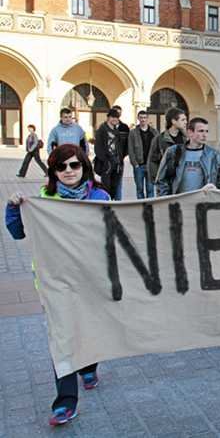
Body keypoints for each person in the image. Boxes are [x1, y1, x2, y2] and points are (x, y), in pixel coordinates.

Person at [5, 144, 110, 426]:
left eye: (74, 165)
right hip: (55, 283)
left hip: (91, 279)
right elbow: (17, 232)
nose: (68, 171)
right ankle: (65, 402)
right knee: (62, 338)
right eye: (61, 167)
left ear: (84, 167)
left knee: (88, 326)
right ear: (52, 171)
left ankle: (88, 366)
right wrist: (13, 207)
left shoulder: (100, 196)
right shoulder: (43, 198)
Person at [155, 117, 220, 196]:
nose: (204, 135)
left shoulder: (215, 156)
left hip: (204, 204)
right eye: (201, 131)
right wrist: (166, 202)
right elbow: (161, 180)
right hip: (178, 203)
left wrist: (215, 189)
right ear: (190, 132)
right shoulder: (174, 152)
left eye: (206, 131)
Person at [147, 108, 186, 183]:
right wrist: (157, 179)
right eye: (183, 120)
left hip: (182, 181)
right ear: (173, 121)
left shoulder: (186, 139)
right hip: (165, 181)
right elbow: (152, 161)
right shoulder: (159, 139)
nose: (186, 122)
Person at [93, 109, 124, 200]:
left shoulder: (116, 130)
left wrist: (120, 160)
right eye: (113, 117)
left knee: (114, 186)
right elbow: (98, 148)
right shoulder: (102, 130)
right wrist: (106, 161)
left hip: (116, 162)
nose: (115, 119)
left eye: (117, 117)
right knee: (106, 186)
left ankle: (112, 203)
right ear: (108, 117)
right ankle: (106, 203)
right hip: (107, 163)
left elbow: (119, 147)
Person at [127, 111, 158, 199]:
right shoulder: (133, 133)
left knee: (150, 189)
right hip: (139, 166)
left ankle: (150, 208)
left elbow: (158, 148)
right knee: (139, 189)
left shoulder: (154, 132)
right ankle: (141, 208)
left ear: (147, 119)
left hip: (150, 166)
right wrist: (135, 164)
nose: (143, 119)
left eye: (144, 117)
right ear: (138, 119)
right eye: (141, 117)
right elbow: (130, 149)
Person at [110, 105, 130, 201]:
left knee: (118, 182)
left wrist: (122, 155)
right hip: (107, 160)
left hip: (119, 160)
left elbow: (127, 144)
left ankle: (118, 202)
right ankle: (108, 201)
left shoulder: (124, 127)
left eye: (118, 112)